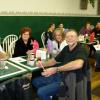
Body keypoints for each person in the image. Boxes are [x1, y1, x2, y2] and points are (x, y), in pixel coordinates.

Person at [32, 29, 90, 100]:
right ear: (65, 38)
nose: (69, 38)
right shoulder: (66, 48)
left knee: (41, 92)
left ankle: (55, 93)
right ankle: (54, 95)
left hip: (70, 80)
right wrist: (42, 64)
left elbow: (78, 64)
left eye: (72, 36)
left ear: (77, 38)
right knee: (35, 81)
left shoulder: (81, 49)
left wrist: (56, 69)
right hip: (60, 75)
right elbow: (54, 60)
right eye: (68, 37)